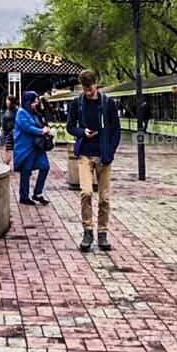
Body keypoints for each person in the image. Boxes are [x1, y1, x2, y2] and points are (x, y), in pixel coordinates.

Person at [66, 69, 120, 252]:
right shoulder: (77, 104)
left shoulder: (108, 103)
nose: (88, 92)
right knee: (86, 192)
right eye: (85, 89)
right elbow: (70, 127)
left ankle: (102, 233)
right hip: (85, 154)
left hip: (104, 155)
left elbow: (116, 130)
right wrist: (83, 132)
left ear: (96, 83)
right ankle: (88, 230)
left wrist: (110, 152)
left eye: (91, 88)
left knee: (104, 198)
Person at [13, 90, 51, 206]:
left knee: (45, 166)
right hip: (26, 147)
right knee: (26, 170)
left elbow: (41, 123)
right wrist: (42, 131)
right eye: (33, 102)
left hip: (37, 146)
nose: (35, 104)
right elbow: (27, 127)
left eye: (36, 102)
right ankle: (24, 196)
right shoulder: (22, 113)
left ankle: (37, 193)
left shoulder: (35, 113)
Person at [0, 95, 17, 166]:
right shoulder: (5, 110)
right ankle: (6, 163)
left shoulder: (15, 110)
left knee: (9, 148)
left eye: (8, 100)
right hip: (4, 131)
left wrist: (13, 130)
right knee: (4, 148)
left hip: (11, 132)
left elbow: (17, 121)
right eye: (7, 100)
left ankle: (6, 163)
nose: (7, 102)